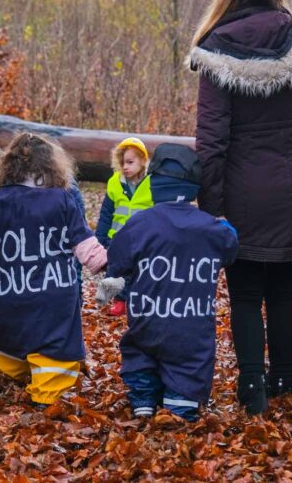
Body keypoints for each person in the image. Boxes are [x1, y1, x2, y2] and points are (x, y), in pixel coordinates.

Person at [189, 0, 292, 414]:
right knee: (284, 293)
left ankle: (252, 387)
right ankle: (284, 380)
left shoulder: (216, 49)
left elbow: (211, 140)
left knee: (247, 295)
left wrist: (211, 210)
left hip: (242, 192)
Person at [0, 133, 108, 407]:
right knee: (54, 343)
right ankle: (47, 390)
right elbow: (84, 243)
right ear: (53, 167)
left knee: (13, 337)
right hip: (53, 296)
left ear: (8, 166)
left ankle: (16, 367)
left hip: (10, 293)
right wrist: (108, 263)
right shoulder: (62, 200)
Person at [96, 144, 238, 422]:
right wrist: (224, 223)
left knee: (139, 352)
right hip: (192, 325)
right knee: (189, 363)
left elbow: (116, 263)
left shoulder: (139, 225)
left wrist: (104, 297)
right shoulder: (212, 228)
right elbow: (231, 248)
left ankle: (144, 398)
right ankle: (180, 403)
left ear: (153, 184)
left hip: (148, 318)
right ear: (195, 187)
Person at [95, 137, 152, 316]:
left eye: (130, 162)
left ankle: (134, 301)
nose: (125, 167)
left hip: (142, 238)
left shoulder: (152, 183)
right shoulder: (115, 183)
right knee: (115, 270)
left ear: (143, 160)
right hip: (117, 237)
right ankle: (117, 301)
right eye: (122, 163)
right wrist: (101, 238)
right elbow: (106, 214)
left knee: (138, 271)